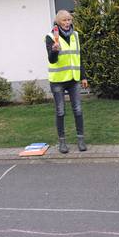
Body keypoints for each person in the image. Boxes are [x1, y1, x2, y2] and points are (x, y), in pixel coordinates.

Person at [45, 10, 89, 154]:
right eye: (64, 20)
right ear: (58, 22)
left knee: (78, 110)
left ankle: (81, 140)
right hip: (58, 81)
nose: (67, 22)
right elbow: (52, 60)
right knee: (60, 111)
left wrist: (83, 76)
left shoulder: (75, 35)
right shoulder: (51, 37)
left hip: (73, 79)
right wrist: (54, 50)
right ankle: (62, 142)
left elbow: (78, 57)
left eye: (69, 20)